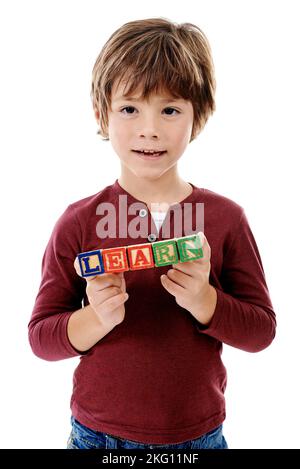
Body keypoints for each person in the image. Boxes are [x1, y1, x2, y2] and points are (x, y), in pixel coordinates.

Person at [28, 17, 276, 450]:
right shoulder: (78, 221)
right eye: (129, 108)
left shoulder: (226, 219)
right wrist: (95, 318)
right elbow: (41, 338)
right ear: (101, 113)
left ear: (197, 118)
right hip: (98, 437)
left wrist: (205, 301)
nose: (150, 128)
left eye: (170, 109)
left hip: (198, 437)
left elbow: (261, 331)